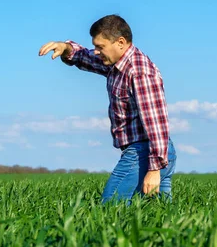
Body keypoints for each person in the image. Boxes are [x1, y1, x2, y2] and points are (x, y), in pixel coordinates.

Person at [38, 14, 177, 205]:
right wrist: (65, 48)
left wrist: (154, 169)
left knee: (111, 208)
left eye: (100, 46)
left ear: (120, 42)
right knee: (159, 217)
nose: (96, 51)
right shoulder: (116, 65)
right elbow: (84, 57)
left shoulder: (139, 71)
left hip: (146, 152)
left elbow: (156, 123)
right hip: (156, 152)